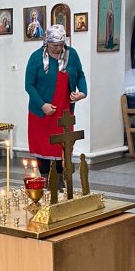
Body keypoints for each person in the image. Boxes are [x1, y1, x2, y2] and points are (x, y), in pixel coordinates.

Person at [25, 23, 87, 180]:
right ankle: (46, 181)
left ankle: (60, 182)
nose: (57, 48)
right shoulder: (36, 58)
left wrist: (82, 92)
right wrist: (42, 105)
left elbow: (80, 75)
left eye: (60, 45)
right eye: (54, 45)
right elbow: (29, 85)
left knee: (63, 148)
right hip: (42, 113)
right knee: (43, 150)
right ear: (46, 42)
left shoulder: (71, 55)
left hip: (64, 113)